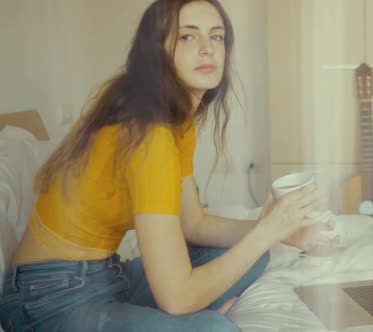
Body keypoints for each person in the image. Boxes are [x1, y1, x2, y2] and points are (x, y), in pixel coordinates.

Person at [0, 1, 335, 331]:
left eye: (216, 37)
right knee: (216, 328)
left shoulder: (176, 123)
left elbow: (194, 224)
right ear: (155, 53)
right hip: (47, 298)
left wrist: (279, 231)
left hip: (106, 275)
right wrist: (264, 233)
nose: (207, 49)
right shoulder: (149, 134)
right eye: (187, 37)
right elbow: (176, 298)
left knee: (252, 254)